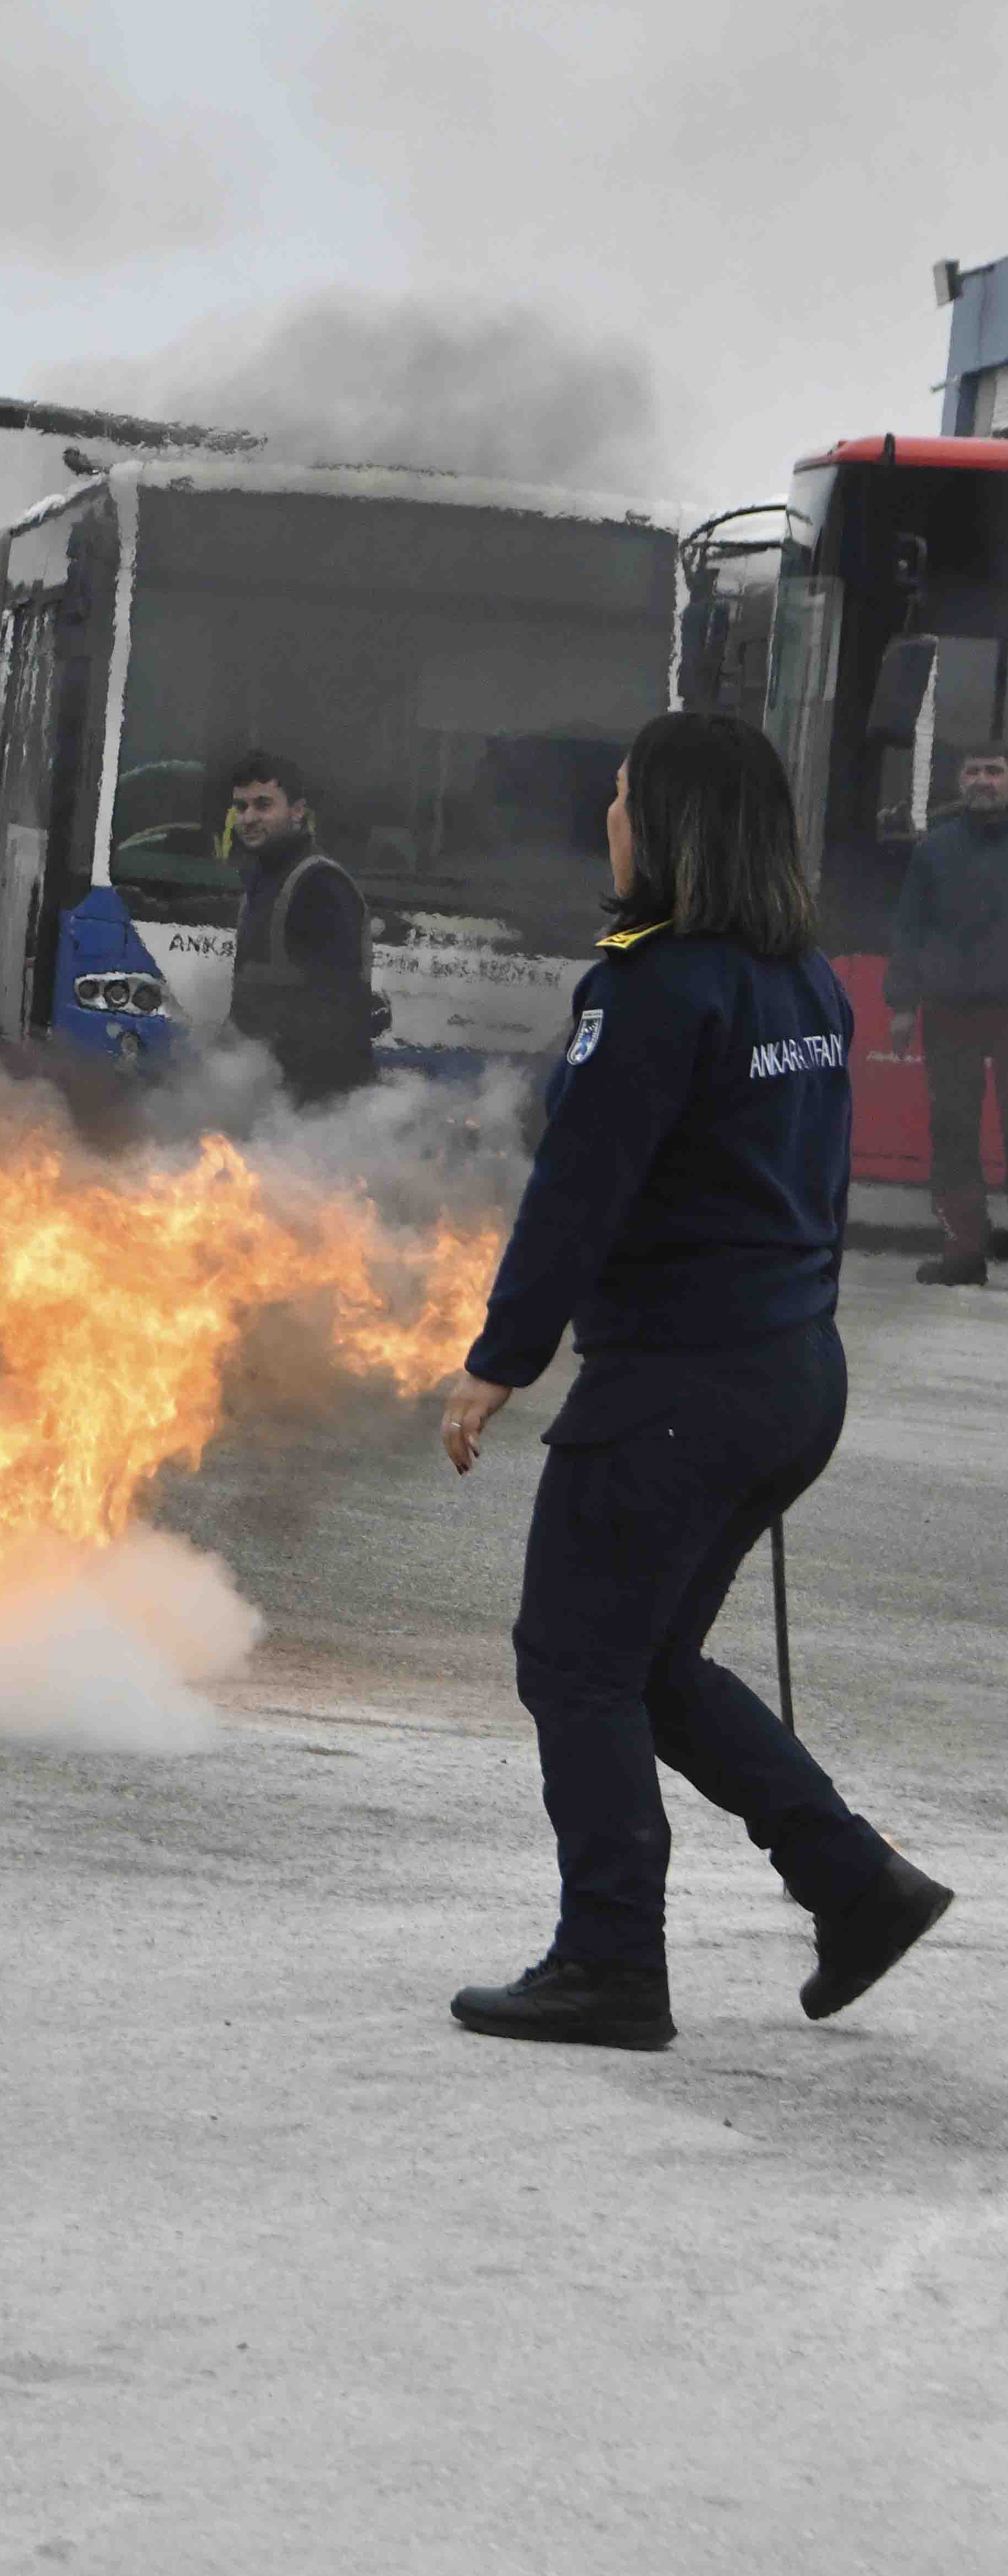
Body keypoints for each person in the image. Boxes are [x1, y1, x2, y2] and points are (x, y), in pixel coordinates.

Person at [439, 711, 951, 2051]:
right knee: (646, 1662)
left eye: (619, 798)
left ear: (664, 826)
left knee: (570, 1662)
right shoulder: (802, 982)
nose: (606, 818)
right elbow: (817, 1187)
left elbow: (577, 1193)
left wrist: (497, 1360)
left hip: (676, 1384)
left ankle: (607, 1960)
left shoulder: (652, 986)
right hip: (786, 1370)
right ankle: (854, 1883)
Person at [883, 746, 1008, 1285]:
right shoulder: (933, 850)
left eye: (995, 771)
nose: (983, 781)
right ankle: (963, 1255)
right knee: (953, 1133)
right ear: (959, 780)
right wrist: (901, 1004)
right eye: (974, 771)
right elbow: (909, 927)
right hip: (947, 1008)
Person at [225, 751, 377, 1103]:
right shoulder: (262, 882)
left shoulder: (321, 885)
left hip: (315, 1106)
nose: (248, 818)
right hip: (269, 1094)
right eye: (241, 807)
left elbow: (338, 1016)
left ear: (297, 811)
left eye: (263, 805)